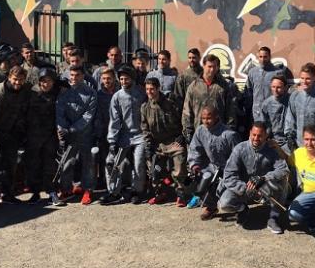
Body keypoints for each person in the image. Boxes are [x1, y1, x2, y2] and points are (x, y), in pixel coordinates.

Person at [218, 122, 290, 234]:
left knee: (283, 182)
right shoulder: (239, 149)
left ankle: (273, 218)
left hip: (264, 189)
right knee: (225, 203)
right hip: (243, 189)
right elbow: (228, 176)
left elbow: (284, 170)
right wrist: (244, 188)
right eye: (254, 135)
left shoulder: (272, 149)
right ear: (250, 133)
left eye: (260, 136)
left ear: (266, 136)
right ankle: (242, 209)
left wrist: (264, 178)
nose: (256, 138)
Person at [0, 66, 31, 204]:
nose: (18, 83)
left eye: (21, 80)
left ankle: (7, 194)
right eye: (15, 79)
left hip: (11, 134)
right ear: (9, 77)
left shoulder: (23, 91)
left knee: (11, 166)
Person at [102, 65, 148, 205]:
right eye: (121, 79)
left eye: (126, 79)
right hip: (123, 137)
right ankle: (113, 191)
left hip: (140, 136)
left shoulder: (141, 93)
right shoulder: (117, 97)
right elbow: (114, 120)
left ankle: (137, 191)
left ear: (132, 79)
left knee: (139, 163)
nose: (123, 81)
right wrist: (112, 141)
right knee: (112, 163)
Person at [140, 77, 188, 206]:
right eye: (147, 89)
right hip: (157, 144)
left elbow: (183, 119)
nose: (149, 92)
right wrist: (149, 147)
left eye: (152, 89)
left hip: (174, 141)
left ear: (158, 88)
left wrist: (182, 136)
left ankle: (181, 194)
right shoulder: (145, 107)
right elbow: (145, 129)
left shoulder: (170, 102)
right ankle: (159, 192)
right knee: (154, 168)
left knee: (179, 167)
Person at [186, 106, 241, 219]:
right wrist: (194, 165)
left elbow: (239, 156)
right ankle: (211, 207)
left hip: (229, 169)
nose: (206, 121)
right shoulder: (200, 130)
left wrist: (232, 172)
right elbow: (194, 149)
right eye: (203, 118)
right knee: (205, 177)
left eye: (209, 118)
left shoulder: (229, 134)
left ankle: (239, 206)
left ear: (217, 117)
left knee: (226, 198)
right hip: (213, 166)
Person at [56, 65, 98, 205]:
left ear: (82, 76)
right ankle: (66, 189)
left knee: (88, 163)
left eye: (77, 75)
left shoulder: (90, 93)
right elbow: (59, 112)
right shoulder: (63, 92)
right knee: (67, 162)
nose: (74, 78)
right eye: (72, 75)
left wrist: (72, 128)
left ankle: (88, 190)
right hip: (68, 136)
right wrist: (62, 128)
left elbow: (88, 116)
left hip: (86, 134)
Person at [24, 68, 65, 206]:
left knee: (50, 165)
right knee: (34, 165)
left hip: (50, 135)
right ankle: (35, 192)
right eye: (42, 81)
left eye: (48, 81)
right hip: (33, 135)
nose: (45, 84)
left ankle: (52, 191)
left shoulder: (58, 93)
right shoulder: (31, 93)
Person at [182, 54, 237, 142]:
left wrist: (229, 130)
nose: (212, 70)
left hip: (219, 134)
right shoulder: (194, 87)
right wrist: (188, 133)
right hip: (198, 134)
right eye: (209, 66)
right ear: (203, 66)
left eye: (214, 67)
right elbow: (187, 111)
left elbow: (230, 111)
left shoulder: (224, 86)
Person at [284, 62, 315, 150]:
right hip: (299, 145)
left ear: (314, 78)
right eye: (302, 78)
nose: (304, 81)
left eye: (308, 78)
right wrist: (290, 138)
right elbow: (290, 119)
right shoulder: (295, 96)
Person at [244, 46, 285, 122]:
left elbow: (283, 93)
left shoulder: (277, 73)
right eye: (260, 57)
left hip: (273, 111)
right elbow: (248, 91)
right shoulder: (252, 72)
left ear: (270, 57)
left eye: (265, 57)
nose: (262, 59)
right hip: (256, 112)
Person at [94, 68, 118, 189]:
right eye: (104, 78)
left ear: (114, 78)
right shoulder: (98, 94)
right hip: (103, 131)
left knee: (117, 158)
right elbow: (96, 114)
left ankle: (118, 182)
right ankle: (103, 180)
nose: (106, 81)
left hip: (118, 131)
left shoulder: (119, 92)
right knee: (103, 157)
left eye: (109, 78)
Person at [260, 75, 291, 154]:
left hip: (290, 142)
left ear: (285, 87)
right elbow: (263, 125)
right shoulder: (266, 104)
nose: (275, 90)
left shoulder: (292, 101)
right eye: (273, 87)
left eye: (279, 87)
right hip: (273, 142)